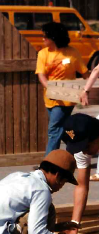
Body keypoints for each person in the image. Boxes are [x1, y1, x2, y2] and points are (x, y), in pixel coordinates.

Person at [36, 22, 89, 156]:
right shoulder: (43, 54)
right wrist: (51, 89)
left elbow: (85, 73)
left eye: (45, 36)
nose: (42, 39)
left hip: (67, 98)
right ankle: (81, 147)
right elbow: (41, 75)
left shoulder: (72, 53)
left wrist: (88, 88)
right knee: (64, 129)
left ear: (53, 37)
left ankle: (48, 162)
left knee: (54, 128)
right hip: (50, 98)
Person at [62, 113, 99, 229]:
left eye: (86, 147)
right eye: (79, 148)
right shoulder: (82, 146)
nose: (83, 152)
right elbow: (81, 186)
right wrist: (74, 224)